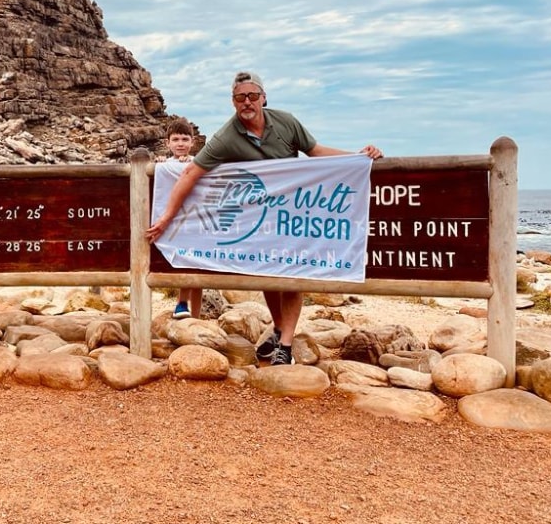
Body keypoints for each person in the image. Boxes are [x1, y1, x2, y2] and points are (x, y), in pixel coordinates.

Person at [146, 71, 383, 365]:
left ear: (263, 97)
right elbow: (192, 173)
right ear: (233, 102)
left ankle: (284, 345)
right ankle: (281, 329)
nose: (247, 102)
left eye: (252, 96)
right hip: (262, 222)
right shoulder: (226, 136)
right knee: (269, 277)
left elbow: (315, 152)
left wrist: (359, 158)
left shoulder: (286, 122)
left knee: (294, 276)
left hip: (292, 214)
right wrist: (168, 216)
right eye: (240, 97)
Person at [155, 118, 203, 320]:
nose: (180, 144)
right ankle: (181, 302)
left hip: (195, 219)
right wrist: (157, 164)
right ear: (167, 143)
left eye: (185, 139)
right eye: (176, 139)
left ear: (192, 142)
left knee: (198, 267)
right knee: (183, 261)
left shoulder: (195, 163)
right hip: (175, 222)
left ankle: (196, 315)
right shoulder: (164, 164)